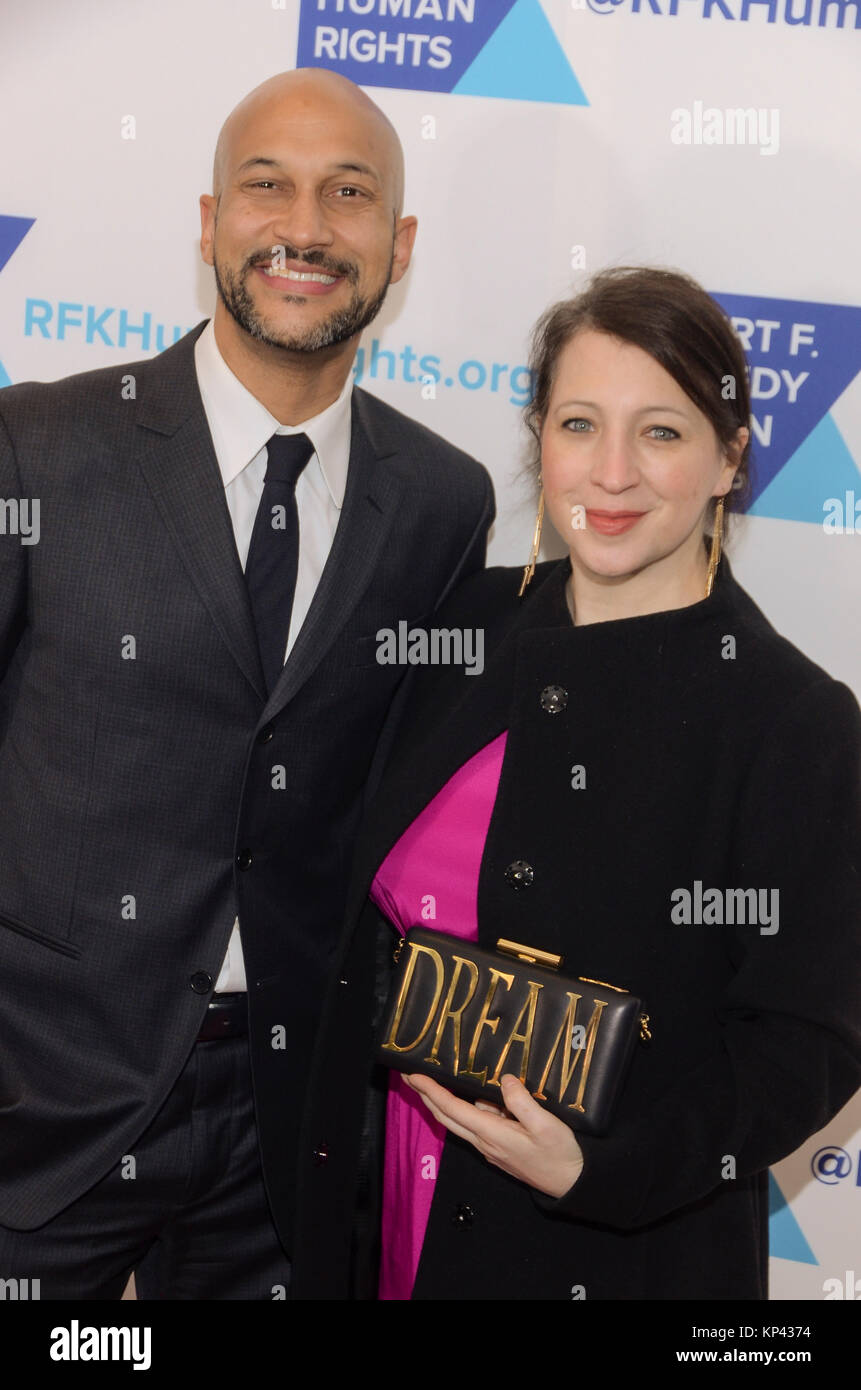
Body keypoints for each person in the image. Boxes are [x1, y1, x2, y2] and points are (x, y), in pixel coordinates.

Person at [0, 68, 494, 1299]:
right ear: (210, 218)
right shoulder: (39, 446)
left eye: (350, 194)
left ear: (402, 244)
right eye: (267, 186)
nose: (307, 227)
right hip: (39, 1109)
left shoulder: (442, 501)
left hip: (290, 1126)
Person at [292, 266, 861, 1300]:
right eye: (578, 423)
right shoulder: (468, 628)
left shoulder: (796, 723)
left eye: (662, 432)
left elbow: (807, 1043)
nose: (610, 474)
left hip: (608, 1251)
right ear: (538, 439)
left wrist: (603, 1170)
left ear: (731, 458)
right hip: (390, 1215)